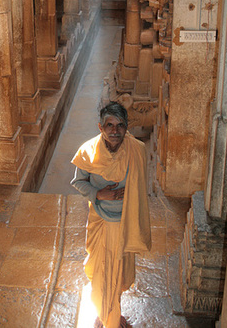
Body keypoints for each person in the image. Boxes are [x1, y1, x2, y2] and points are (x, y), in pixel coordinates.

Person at [70, 102, 151, 328]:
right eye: (109, 125)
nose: (115, 131)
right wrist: (100, 193)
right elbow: (78, 182)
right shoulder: (88, 151)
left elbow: (140, 188)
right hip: (101, 221)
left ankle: (110, 313)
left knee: (117, 275)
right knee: (102, 275)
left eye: (120, 125)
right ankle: (110, 318)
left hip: (125, 223)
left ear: (127, 128)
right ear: (100, 127)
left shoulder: (136, 149)